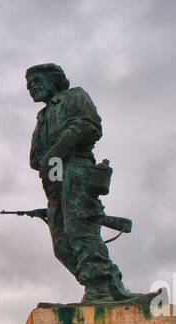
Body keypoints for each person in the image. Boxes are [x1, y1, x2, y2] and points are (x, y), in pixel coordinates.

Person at [26, 63, 135, 302]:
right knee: (61, 244)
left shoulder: (75, 96)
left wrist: (55, 150)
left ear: (54, 80)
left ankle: (100, 286)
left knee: (80, 230)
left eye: (36, 82)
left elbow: (89, 126)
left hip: (76, 169)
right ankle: (108, 282)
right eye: (28, 85)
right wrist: (48, 158)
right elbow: (35, 158)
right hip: (54, 180)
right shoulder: (43, 116)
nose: (31, 88)